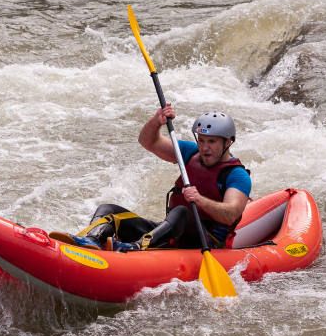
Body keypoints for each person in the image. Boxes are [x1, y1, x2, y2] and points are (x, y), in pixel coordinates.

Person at [56, 103, 251, 252]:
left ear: (228, 142)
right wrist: (156, 121)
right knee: (108, 210)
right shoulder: (190, 153)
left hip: (206, 241)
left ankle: (137, 247)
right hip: (172, 230)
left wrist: (200, 200)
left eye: (212, 142)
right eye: (201, 140)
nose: (204, 147)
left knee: (182, 212)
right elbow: (148, 141)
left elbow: (231, 213)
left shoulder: (236, 175)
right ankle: (91, 240)